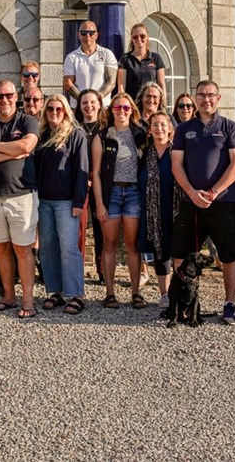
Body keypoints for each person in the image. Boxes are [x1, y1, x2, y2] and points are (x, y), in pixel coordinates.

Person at [171, 80, 235, 325]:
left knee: (227, 253)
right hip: (190, 201)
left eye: (211, 95)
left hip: (222, 202)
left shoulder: (230, 127)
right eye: (201, 95)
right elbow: (176, 165)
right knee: (182, 253)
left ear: (218, 98)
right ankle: (181, 304)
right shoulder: (184, 129)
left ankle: (230, 304)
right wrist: (192, 192)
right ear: (195, 98)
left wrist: (214, 191)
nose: (206, 99)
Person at [0, 80, 40, 319]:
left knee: (23, 250)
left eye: (9, 95)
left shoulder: (27, 121)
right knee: (1, 249)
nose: (4, 99)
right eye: (0, 96)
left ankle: (28, 301)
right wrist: (12, 151)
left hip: (21, 195)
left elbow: (27, 145)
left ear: (16, 96)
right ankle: (9, 297)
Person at [33, 94, 88, 315]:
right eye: (50, 109)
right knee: (47, 249)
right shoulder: (42, 135)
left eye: (59, 109)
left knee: (68, 248)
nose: (54, 113)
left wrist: (78, 201)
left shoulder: (76, 135)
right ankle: (54, 291)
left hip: (66, 202)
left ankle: (75, 294)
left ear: (66, 111)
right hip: (43, 201)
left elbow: (81, 171)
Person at [91, 91, 147, 309]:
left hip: (133, 193)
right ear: (111, 110)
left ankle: (136, 292)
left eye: (126, 108)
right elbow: (95, 173)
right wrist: (99, 203)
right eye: (117, 107)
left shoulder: (140, 134)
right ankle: (110, 292)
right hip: (111, 193)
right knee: (110, 244)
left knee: (133, 245)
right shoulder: (102, 136)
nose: (121, 111)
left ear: (132, 110)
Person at [137, 111, 178, 309]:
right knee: (159, 251)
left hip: (176, 209)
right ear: (149, 129)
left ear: (170, 128)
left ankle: (180, 293)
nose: (159, 128)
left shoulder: (178, 152)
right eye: (155, 125)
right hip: (153, 211)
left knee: (179, 251)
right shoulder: (146, 154)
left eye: (163, 124)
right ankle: (165, 294)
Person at [77, 89, 108, 283]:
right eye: (84, 103)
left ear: (99, 104)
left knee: (102, 228)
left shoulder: (106, 128)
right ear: (79, 106)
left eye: (92, 102)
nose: (89, 106)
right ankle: (77, 270)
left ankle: (103, 271)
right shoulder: (74, 127)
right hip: (79, 182)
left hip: (101, 182)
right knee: (78, 228)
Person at [63, 19, 118, 109]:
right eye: (83, 33)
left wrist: (96, 99)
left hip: (102, 107)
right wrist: (84, 100)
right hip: (79, 107)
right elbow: (68, 83)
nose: (87, 36)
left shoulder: (107, 54)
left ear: (96, 35)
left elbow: (111, 82)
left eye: (91, 33)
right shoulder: (71, 57)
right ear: (79, 35)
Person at [118, 22, 166, 100]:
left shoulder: (156, 58)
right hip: (132, 104)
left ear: (147, 37)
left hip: (150, 102)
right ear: (132, 38)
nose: (139, 39)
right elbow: (121, 86)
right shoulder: (125, 58)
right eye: (135, 37)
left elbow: (161, 85)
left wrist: (163, 105)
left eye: (142, 36)